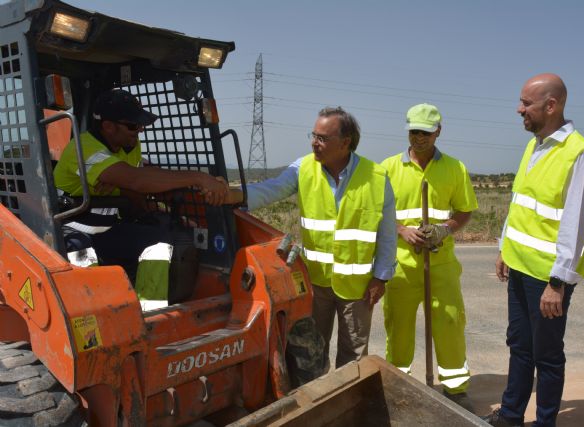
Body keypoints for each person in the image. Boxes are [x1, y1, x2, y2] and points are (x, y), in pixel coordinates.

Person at [226, 107, 396, 369]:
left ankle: (346, 405)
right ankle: (316, 404)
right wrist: (235, 196)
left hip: (358, 287)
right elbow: (271, 189)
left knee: (353, 357)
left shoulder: (376, 176)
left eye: (322, 138)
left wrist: (381, 276)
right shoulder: (303, 168)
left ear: (345, 142)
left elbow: (386, 233)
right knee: (310, 353)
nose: (314, 143)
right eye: (313, 135)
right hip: (314, 281)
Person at [482, 74, 584, 427]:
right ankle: (510, 415)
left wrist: (557, 282)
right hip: (520, 266)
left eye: (526, 103)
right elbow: (519, 203)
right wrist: (505, 248)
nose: (519, 110)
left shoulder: (580, 155)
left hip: (547, 276)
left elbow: (575, 227)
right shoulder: (535, 144)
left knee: (546, 355)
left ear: (551, 106)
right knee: (519, 345)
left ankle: (545, 421)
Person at [54, 89, 228, 302]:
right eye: (132, 125)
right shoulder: (82, 149)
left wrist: (129, 188)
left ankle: (151, 311)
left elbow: (139, 181)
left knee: (159, 241)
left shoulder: (128, 147)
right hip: (67, 231)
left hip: (106, 229)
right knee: (82, 253)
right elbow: (136, 180)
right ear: (108, 126)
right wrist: (199, 178)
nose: (139, 130)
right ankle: (92, 320)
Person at [380, 103, 477, 405]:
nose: (418, 138)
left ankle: (456, 391)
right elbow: (378, 213)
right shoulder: (387, 169)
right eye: (413, 132)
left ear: (438, 131)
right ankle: (400, 390)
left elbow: (464, 210)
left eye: (425, 132)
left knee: (449, 325)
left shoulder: (454, 168)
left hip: (441, 264)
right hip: (402, 266)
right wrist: (402, 230)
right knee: (400, 331)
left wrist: (445, 229)